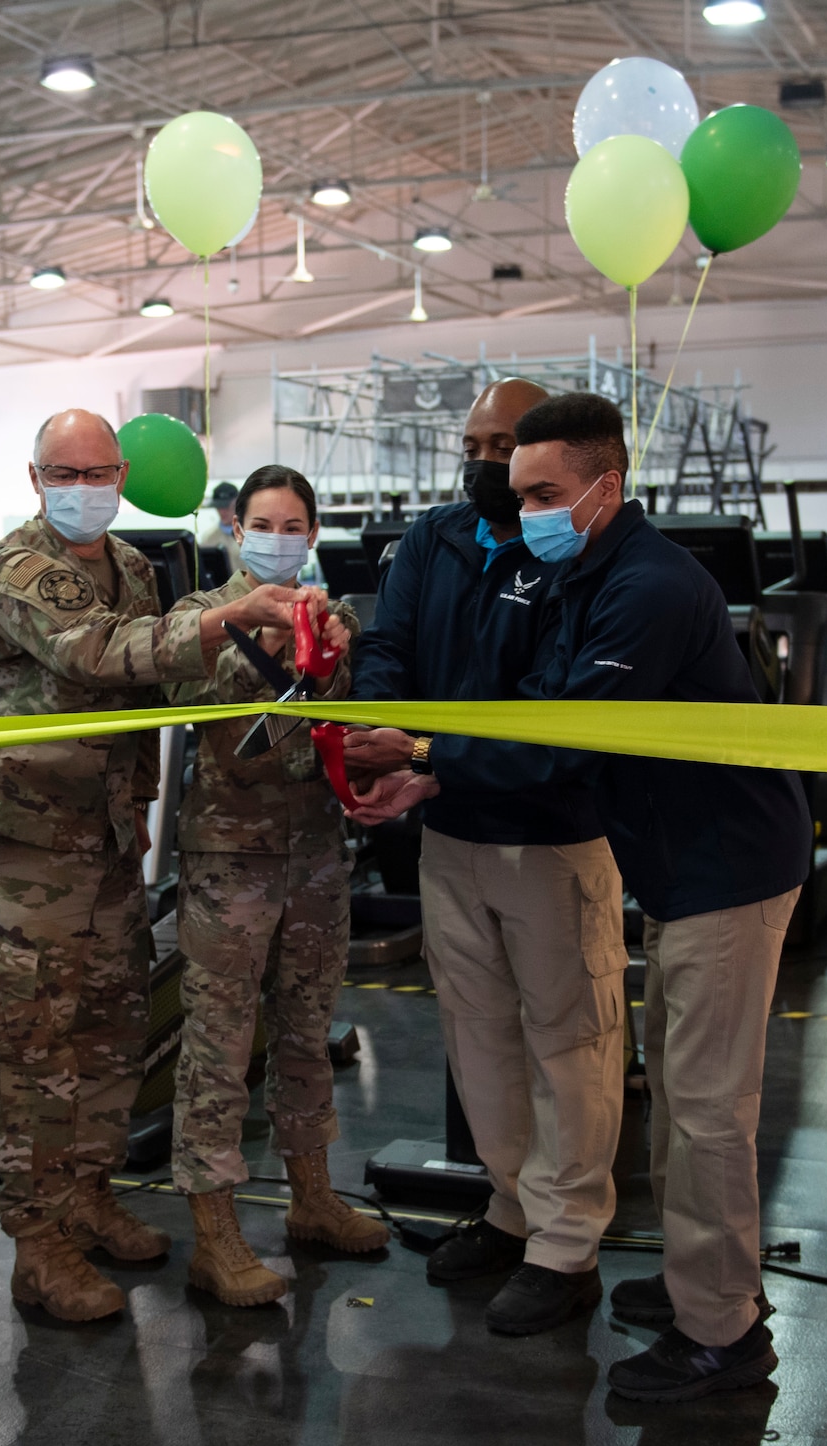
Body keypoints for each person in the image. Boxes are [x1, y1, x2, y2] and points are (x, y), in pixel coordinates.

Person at [353, 393, 812, 1398]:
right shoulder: (576, 565)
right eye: (507, 487)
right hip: (665, 857)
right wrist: (429, 769)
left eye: (539, 489)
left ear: (604, 487)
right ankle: (705, 1286)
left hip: (715, 864)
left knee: (695, 1106)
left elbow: (559, 731)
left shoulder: (641, 585)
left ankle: (721, 1334)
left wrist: (427, 749)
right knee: (674, 1097)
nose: (521, 511)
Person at [0, 410, 319, 1323]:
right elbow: (101, 654)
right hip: (27, 849)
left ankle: (85, 1193)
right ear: (35, 478)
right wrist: (232, 614)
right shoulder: (14, 568)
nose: (84, 487)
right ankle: (37, 1241)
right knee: (35, 1042)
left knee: (110, 1031)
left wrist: (267, 655)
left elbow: (166, 687)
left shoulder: (136, 568)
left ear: (122, 472)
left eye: (98, 471)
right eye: (62, 472)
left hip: (110, 837)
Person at [344, 378, 629, 1337]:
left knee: (570, 1042)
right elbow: (391, 647)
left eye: (504, 442)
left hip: (550, 834)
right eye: (473, 440)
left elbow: (550, 708)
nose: (485, 459)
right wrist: (381, 734)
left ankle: (568, 1242)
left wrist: (424, 759)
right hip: (450, 830)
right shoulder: (432, 539)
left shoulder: (575, 553)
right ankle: (514, 1207)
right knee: (480, 1037)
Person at [160, 464, 385, 1307]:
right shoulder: (196, 618)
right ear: (234, 527)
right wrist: (254, 628)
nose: (279, 538)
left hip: (317, 854)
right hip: (230, 859)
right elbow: (188, 689)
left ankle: (313, 1197)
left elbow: (356, 713)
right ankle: (215, 1235)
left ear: (314, 535)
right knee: (218, 1044)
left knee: (307, 1030)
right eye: (264, 522)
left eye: (295, 525)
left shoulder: (340, 620)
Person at [196, 481, 243, 580]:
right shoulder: (208, 537)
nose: (222, 511)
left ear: (237, 503)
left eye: (226, 506)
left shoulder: (250, 533)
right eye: (218, 507)